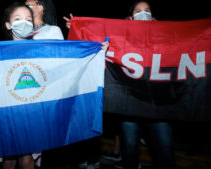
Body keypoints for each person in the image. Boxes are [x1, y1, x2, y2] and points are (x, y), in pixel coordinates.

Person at [63, 1, 176, 169]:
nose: (143, 14)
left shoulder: (165, 39)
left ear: (153, 17)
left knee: (165, 150)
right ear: (130, 18)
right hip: (129, 106)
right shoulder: (120, 39)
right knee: (129, 150)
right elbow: (97, 43)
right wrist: (79, 28)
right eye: (139, 11)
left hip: (158, 107)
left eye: (147, 11)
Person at [2, 2, 35, 169]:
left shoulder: (41, 50)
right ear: (8, 25)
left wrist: (96, 50)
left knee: (28, 158)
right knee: (8, 159)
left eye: (28, 19)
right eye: (18, 19)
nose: (24, 23)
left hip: (33, 111)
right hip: (7, 112)